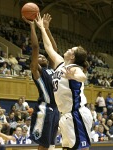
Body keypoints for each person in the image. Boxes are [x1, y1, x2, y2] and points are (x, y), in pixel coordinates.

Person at [36, 13, 93, 150]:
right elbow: (49, 47)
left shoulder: (74, 68)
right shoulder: (61, 64)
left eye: (70, 49)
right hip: (66, 116)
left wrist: (75, 77)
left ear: (72, 56)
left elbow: (83, 77)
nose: (67, 49)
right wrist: (43, 28)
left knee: (81, 148)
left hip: (77, 114)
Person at [22, 14, 59, 150]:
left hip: (56, 109)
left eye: (44, 56)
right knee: (43, 146)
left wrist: (47, 29)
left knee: (51, 145)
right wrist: (32, 26)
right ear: (35, 62)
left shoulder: (51, 69)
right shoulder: (37, 72)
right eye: (40, 57)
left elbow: (54, 50)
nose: (43, 56)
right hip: (45, 109)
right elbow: (36, 47)